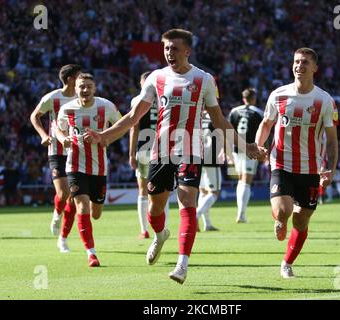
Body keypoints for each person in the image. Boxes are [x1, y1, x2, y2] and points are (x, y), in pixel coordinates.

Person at [84, 29, 262, 284]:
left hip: (191, 150)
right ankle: (160, 234)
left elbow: (220, 121)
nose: (169, 53)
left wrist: (247, 146)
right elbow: (133, 117)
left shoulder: (204, 80)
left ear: (187, 51)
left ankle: (182, 263)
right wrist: (104, 135)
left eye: (175, 49)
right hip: (161, 152)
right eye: (166, 48)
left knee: (187, 201)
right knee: (155, 208)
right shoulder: (156, 78)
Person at [255, 47, 339, 279]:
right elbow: (266, 123)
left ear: (315, 68)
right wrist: (258, 145)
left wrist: (330, 169)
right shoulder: (278, 95)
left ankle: (286, 263)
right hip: (281, 163)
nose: (298, 66)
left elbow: (331, 141)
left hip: (311, 168)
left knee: (301, 220)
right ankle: (279, 219)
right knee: (284, 212)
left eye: (304, 62)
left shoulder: (324, 101)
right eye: (296, 62)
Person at [56, 72, 121, 267]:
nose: (85, 90)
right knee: (82, 207)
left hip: (99, 168)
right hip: (75, 165)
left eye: (88, 86)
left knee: (96, 213)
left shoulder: (106, 106)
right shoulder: (67, 109)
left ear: (94, 88)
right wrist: (63, 139)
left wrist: (103, 138)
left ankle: (71, 207)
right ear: (75, 89)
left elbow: (122, 126)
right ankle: (91, 254)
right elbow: (58, 129)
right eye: (81, 86)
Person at [30, 64, 82, 252]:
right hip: (57, 150)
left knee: (75, 195)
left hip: (78, 152)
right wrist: (43, 135)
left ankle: (63, 238)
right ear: (70, 79)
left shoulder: (82, 98)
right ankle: (56, 214)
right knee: (63, 193)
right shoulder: (53, 98)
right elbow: (34, 116)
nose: (82, 80)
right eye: (79, 76)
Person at [129, 71, 169, 240]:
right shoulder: (164, 97)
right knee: (163, 191)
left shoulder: (137, 100)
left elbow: (133, 127)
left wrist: (131, 153)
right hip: (162, 148)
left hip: (145, 148)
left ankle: (144, 229)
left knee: (143, 190)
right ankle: (160, 228)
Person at [228, 88, 264, 223]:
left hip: (236, 149)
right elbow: (264, 130)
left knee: (240, 180)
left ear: (243, 98)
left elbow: (228, 130)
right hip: (251, 149)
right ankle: (241, 214)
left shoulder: (234, 111)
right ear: (254, 98)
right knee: (246, 181)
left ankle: (240, 213)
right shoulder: (258, 112)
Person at [196, 109, 224, 231]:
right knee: (214, 192)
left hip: (197, 157)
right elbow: (222, 134)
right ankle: (196, 215)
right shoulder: (215, 116)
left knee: (203, 191)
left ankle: (207, 224)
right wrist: (224, 151)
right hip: (211, 157)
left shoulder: (197, 116)